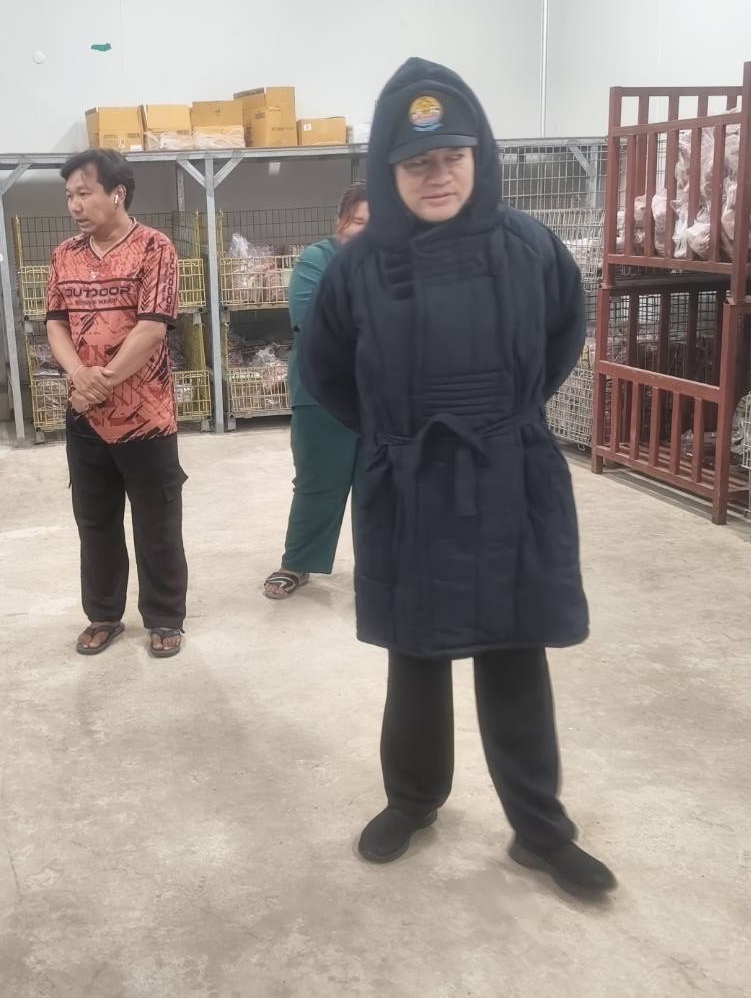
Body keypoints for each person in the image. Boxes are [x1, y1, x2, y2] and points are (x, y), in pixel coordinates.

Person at [300, 58, 616, 897]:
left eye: (451, 157)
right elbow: (326, 371)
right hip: (407, 481)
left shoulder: (529, 249)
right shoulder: (358, 269)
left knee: (515, 653)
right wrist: (395, 438)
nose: (436, 175)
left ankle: (540, 832)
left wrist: (500, 423)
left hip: (509, 474)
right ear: (388, 170)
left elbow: (560, 341)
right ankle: (412, 801)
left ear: (479, 157)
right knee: (416, 653)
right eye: (415, 163)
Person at [44, 149, 189, 659]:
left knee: (156, 522)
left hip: (145, 415)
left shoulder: (155, 248)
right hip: (85, 414)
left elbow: (152, 327)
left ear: (117, 194)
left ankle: (165, 617)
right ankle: (103, 614)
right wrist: (79, 376)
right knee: (95, 522)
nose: (74, 205)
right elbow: (55, 323)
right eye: (69, 196)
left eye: (84, 193)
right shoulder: (65, 255)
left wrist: (103, 379)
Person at [262, 182, 369, 601]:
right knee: (317, 480)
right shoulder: (317, 259)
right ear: (340, 221)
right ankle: (297, 562)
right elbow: (311, 321)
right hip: (322, 391)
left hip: (382, 396)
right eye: (358, 221)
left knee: (379, 485)